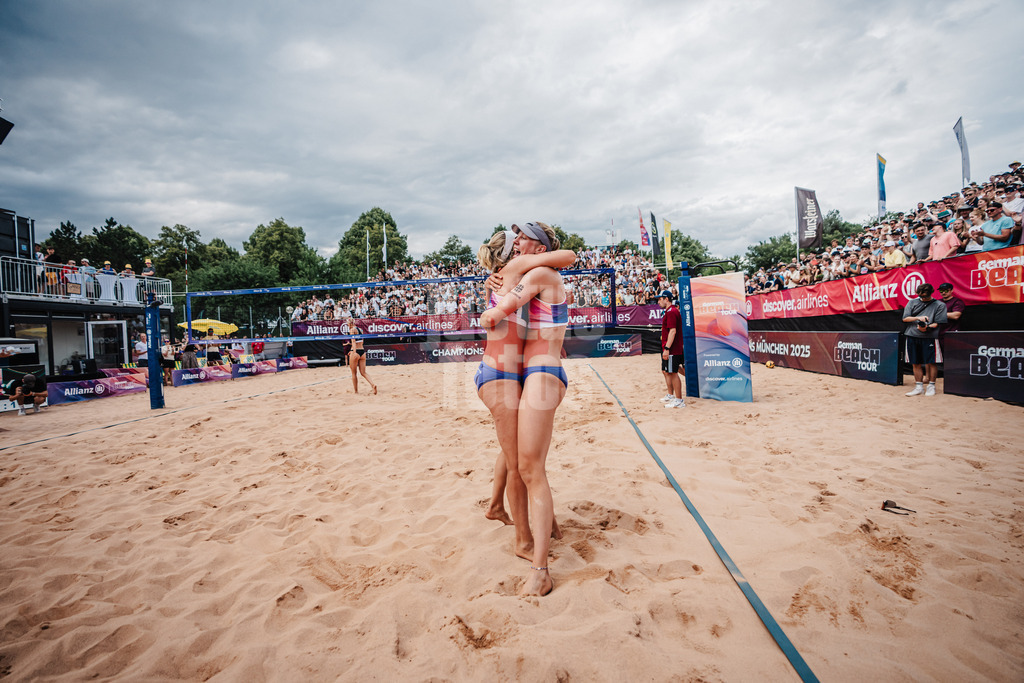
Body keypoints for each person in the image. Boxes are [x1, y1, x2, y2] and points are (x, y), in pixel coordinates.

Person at [480, 221, 570, 597]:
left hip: (537, 371)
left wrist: (495, 309)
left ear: (540, 244)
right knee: (521, 459)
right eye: (514, 239)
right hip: (519, 371)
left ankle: (538, 560)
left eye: (524, 237)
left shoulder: (540, 272)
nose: (517, 241)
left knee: (526, 464)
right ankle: (516, 521)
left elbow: (564, 258)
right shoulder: (525, 272)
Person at [902, 283, 947, 397]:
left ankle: (931, 386)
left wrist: (927, 327)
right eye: (921, 296)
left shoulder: (939, 305)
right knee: (915, 362)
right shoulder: (912, 302)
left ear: (931, 293)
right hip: (912, 335)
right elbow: (905, 318)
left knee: (931, 362)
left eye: (925, 297)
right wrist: (918, 318)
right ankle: (919, 387)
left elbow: (938, 323)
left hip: (930, 337)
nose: (923, 299)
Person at [657, 290, 685, 408]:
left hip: (672, 348)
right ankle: (671, 395)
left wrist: (667, 348)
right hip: (669, 346)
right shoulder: (669, 311)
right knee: (667, 371)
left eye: (660, 299)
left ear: (666, 299)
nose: (658, 301)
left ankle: (679, 400)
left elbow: (673, 331)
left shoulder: (672, 312)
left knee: (673, 372)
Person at [346, 319, 377, 394]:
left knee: (354, 373)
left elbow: (353, 342)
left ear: (350, 324)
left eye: (347, 324)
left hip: (356, 351)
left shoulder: (352, 330)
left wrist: (353, 352)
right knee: (363, 372)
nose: (347, 325)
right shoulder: (360, 330)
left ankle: (356, 391)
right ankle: (373, 384)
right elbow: (361, 341)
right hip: (362, 351)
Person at [937, 282, 965, 354]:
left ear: (951, 290)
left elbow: (956, 316)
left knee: (952, 355)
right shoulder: (937, 302)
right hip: (939, 334)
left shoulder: (957, 301)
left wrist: (939, 314)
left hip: (952, 333)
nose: (943, 292)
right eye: (941, 291)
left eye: (946, 290)